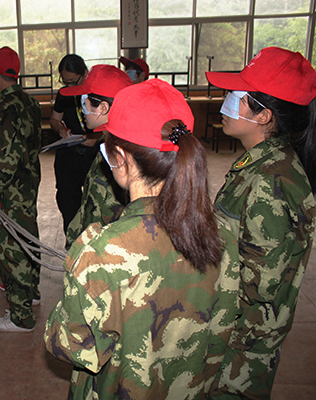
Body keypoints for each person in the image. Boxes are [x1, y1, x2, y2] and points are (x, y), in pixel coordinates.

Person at [44, 79, 241, 399]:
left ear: (120, 158)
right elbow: (225, 328)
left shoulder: (101, 252)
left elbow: (67, 345)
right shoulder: (224, 235)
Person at [205, 47, 316, 399]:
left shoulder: (271, 183)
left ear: (265, 115)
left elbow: (260, 288)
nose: (224, 103)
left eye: (235, 96)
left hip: (239, 348)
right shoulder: (261, 164)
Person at [0, 46, 42, 332]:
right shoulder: (31, 103)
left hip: (8, 190)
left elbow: (1, 159)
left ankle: (21, 316)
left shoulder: (1, 108)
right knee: (28, 237)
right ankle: (32, 294)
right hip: (28, 184)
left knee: (11, 249)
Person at [59, 64, 132, 248]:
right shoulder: (106, 143)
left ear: (103, 107)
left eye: (85, 101)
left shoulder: (118, 155)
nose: (82, 108)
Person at [50, 54, 101, 233]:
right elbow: (54, 119)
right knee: (68, 202)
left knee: (95, 202)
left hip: (93, 156)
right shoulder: (64, 94)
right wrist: (59, 129)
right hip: (69, 154)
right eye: (65, 82)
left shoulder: (97, 93)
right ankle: (72, 240)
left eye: (73, 81)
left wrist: (96, 138)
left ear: (85, 73)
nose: (69, 86)